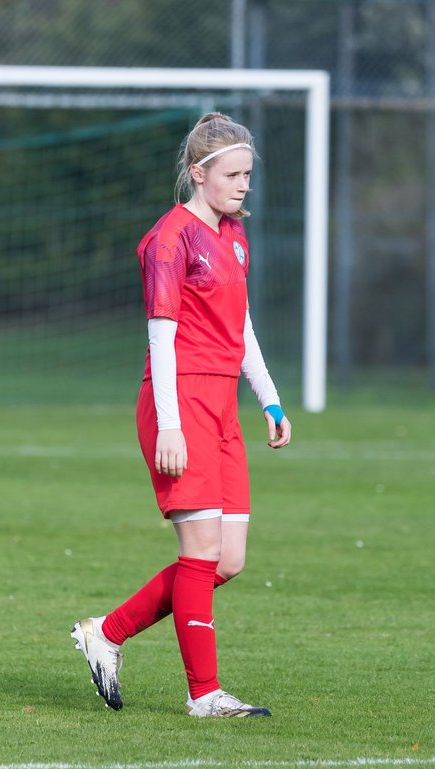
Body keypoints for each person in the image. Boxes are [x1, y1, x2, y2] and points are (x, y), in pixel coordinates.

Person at [71, 113, 291, 718]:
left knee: (228, 560)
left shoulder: (235, 236)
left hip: (221, 404)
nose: (244, 185)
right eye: (233, 174)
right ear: (199, 172)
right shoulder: (170, 238)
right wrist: (170, 423)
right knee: (200, 552)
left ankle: (107, 633)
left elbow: (240, 328)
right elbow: (162, 339)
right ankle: (205, 694)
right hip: (179, 398)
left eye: (249, 174)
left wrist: (269, 398)